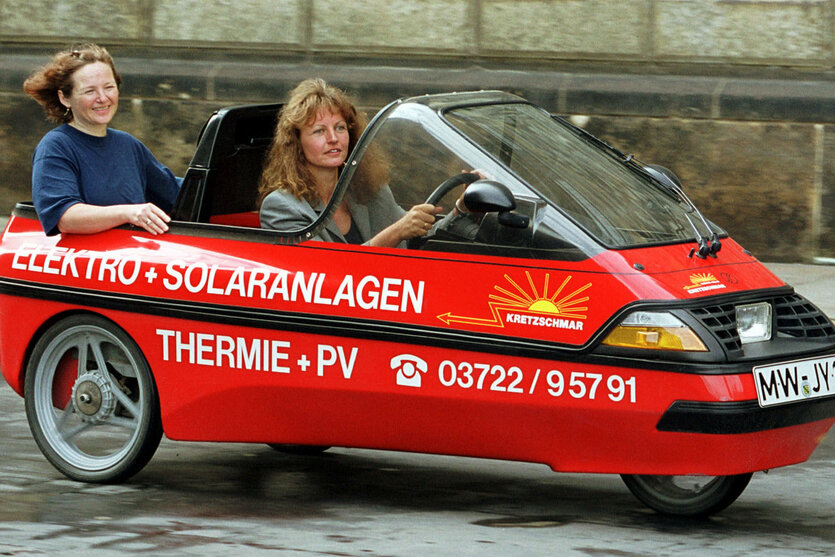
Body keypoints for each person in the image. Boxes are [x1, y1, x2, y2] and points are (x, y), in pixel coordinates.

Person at [258, 78, 441, 247]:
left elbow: (417, 234)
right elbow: (322, 271)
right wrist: (396, 233)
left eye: (340, 128)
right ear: (297, 143)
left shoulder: (368, 189)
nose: (333, 138)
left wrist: (460, 210)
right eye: (319, 131)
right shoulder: (281, 206)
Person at [23, 43, 181, 236]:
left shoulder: (128, 145)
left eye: (109, 87)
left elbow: (178, 193)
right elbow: (64, 217)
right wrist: (129, 213)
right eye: (90, 91)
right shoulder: (56, 147)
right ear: (65, 98)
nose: (102, 98)